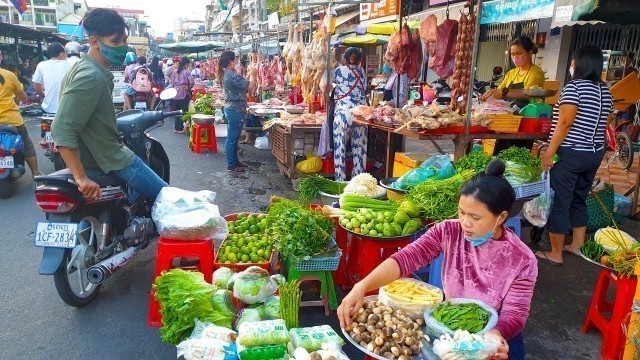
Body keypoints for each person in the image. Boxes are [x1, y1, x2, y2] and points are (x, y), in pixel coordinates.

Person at [338, 160, 538, 360]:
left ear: (501, 217)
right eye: (461, 213)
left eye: (475, 218)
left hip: (494, 341)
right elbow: (405, 259)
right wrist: (361, 287)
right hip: (448, 331)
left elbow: (515, 312)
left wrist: (495, 335)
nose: (465, 223)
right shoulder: (449, 231)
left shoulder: (522, 258)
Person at [51, 8, 167, 201]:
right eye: (115, 41)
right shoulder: (92, 76)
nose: (122, 47)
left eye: (124, 41)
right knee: (171, 200)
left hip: (95, 157)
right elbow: (62, 127)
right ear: (94, 42)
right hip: (112, 159)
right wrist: (80, 177)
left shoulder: (81, 68)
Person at [537, 45, 613, 266]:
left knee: (561, 200)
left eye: (572, 62)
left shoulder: (574, 88)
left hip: (571, 153)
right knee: (579, 198)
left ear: (578, 64)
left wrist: (549, 153)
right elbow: (605, 124)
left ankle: (556, 253)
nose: (571, 66)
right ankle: (577, 245)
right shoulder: (605, 91)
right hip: (594, 153)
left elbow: (565, 122)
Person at [482, 36, 546, 154]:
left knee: (516, 157)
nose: (515, 57)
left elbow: (527, 93)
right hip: (508, 122)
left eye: (519, 53)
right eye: (512, 54)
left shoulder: (535, 73)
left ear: (530, 53)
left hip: (525, 123)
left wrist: (503, 92)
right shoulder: (511, 73)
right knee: (500, 154)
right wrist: (490, 96)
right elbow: (499, 92)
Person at [217, 50, 258, 172]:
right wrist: (254, 75)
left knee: (234, 138)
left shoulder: (229, 74)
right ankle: (231, 164)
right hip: (235, 109)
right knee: (232, 138)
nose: (236, 61)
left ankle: (235, 162)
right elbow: (250, 86)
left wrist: (249, 75)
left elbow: (243, 84)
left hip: (234, 108)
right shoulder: (230, 75)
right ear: (230, 61)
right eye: (234, 59)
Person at [332, 47, 368, 181]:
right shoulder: (361, 71)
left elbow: (326, 84)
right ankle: (359, 181)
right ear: (359, 60)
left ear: (345, 59)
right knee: (359, 149)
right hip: (360, 114)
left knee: (340, 148)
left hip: (343, 113)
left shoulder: (338, 71)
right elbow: (364, 88)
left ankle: (340, 181)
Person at [0, 66, 40, 177]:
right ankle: (35, 173)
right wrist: (18, 99)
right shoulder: (9, 75)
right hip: (11, 120)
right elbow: (23, 97)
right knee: (26, 144)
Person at [33, 42, 70, 115]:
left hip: (48, 108)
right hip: (67, 109)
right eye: (65, 52)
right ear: (61, 53)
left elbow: (37, 87)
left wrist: (44, 95)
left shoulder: (41, 65)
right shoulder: (71, 64)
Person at [170, 56, 194, 133]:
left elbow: (172, 83)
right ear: (186, 64)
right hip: (183, 92)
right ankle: (181, 128)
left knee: (177, 110)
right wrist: (188, 87)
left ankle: (177, 127)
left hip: (175, 92)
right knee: (183, 110)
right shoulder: (186, 72)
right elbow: (192, 82)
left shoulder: (174, 72)